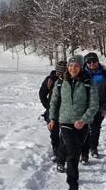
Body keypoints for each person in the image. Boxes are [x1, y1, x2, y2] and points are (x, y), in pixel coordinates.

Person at [48, 55, 98, 190]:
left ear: (81, 67)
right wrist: (52, 118)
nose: (73, 68)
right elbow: (54, 102)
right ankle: (73, 183)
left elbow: (94, 105)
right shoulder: (60, 82)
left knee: (67, 146)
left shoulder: (88, 82)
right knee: (73, 151)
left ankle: (60, 159)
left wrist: (84, 120)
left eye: (76, 66)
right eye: (70, 66)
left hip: (82, 123)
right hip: (64, 121)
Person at [39, 60, 67, 172]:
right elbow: (42, 94)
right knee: (54, 133)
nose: (61, 72)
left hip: (66, 112)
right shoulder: (49, 79)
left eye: (63, 69)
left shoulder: (69, 79)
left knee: (65, 135)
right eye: (59, 69)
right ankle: (56, 152)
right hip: (52, 112)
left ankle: (62, 155)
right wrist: (48, 107)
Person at [80, 52, 106, 162]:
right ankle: (83, 152)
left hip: (100, 106)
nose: (92, 64)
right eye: (89, 62)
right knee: (84, 129)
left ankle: (94, 148)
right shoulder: (81, 73)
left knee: (95, 128)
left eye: (94, 61)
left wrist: (105, 107)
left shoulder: (104, 73)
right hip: (84, 106)